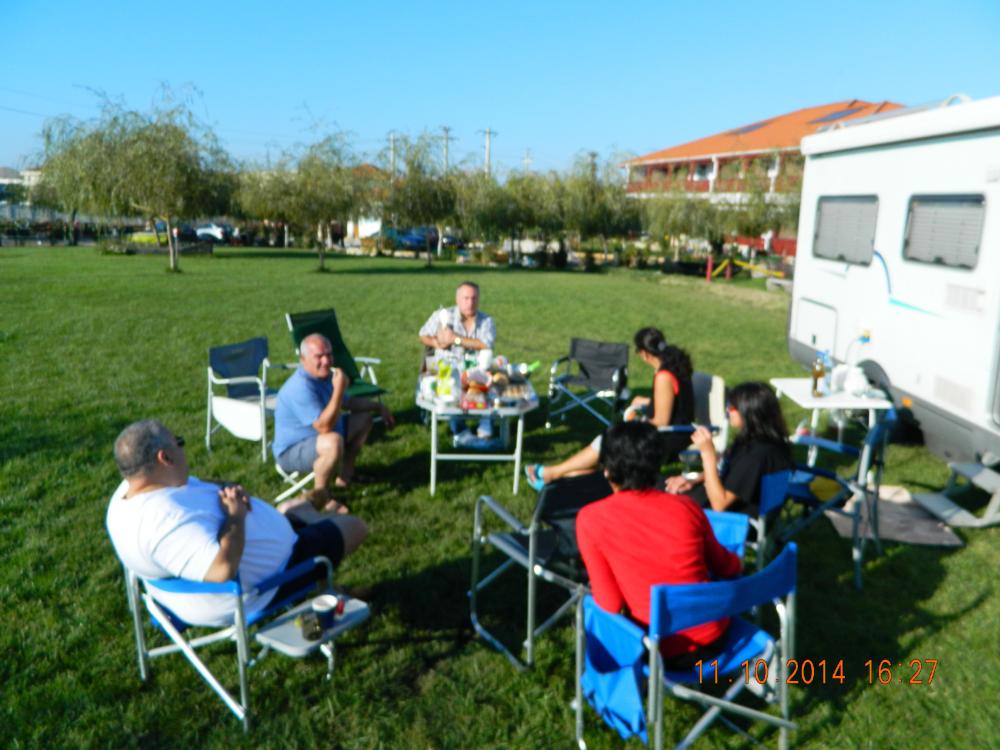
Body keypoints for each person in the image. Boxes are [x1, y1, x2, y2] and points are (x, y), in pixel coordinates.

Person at [106, 420, 368, 627]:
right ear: (165, 458)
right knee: (355, 526)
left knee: (299, 516)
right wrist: (236, 515)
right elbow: (222, 569)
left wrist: (225, 485)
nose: (183, 448)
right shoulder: (165, 522)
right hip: (269, 582)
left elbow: (196, 486)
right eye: (179, 443)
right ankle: (311, 516)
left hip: (270, 543)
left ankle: (303, 511)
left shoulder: (131, 492)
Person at [576, 421, 742, 665]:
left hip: (657, 648)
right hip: (716, 637)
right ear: (657, 465)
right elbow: (727, 567)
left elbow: (610, 604)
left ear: (607, 471)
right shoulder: (686, 507)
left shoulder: (590, 519)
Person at [525, 327, 694, 489]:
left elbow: (661, 422)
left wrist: (635, 421)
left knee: (608, 441)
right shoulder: (676, 366)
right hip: (677, 433)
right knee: (606, 453)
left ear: (644, 354)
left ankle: (552, 474)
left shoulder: (664, 376)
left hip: (667, 439)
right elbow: (675, 402)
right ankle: (554, 479)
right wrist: (646, 402)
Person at [273, 333, 394, 514]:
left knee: (363, 419)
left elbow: (348, 402)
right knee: (333, 441)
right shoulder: (300, 387)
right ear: (303, 360)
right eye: (319, 356)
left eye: (329, 354)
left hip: (320, 437)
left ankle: (345, 477)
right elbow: (324, 427)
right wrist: (338, 389)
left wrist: (378, 407)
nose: (326, 361)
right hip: (291, 451)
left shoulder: (324, 376)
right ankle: (321, 497)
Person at [666, 381, 793, 515]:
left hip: (730, 520)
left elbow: (719, 504)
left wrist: (708, 454)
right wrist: (693, 479)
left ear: (748, 412)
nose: (727, 411)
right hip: (722, 505)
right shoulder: (763, 442)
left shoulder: (756, 455)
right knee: (662, 486)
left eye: (732, 407)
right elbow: (728, 471)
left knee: (659, 499)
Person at [418, 280, 497, 441]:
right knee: (451, 389)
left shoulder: (486, 321)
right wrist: (437, 343)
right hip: (446, 368)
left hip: (475, 369)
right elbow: (423, 335)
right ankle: (460, 430)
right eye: (466, 298)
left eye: (474, 298)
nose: (470, 302)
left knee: (490, 385)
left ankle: (485, 426)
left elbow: (486, 344)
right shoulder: (442, 316)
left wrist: (455, 339)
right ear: (457, 299)